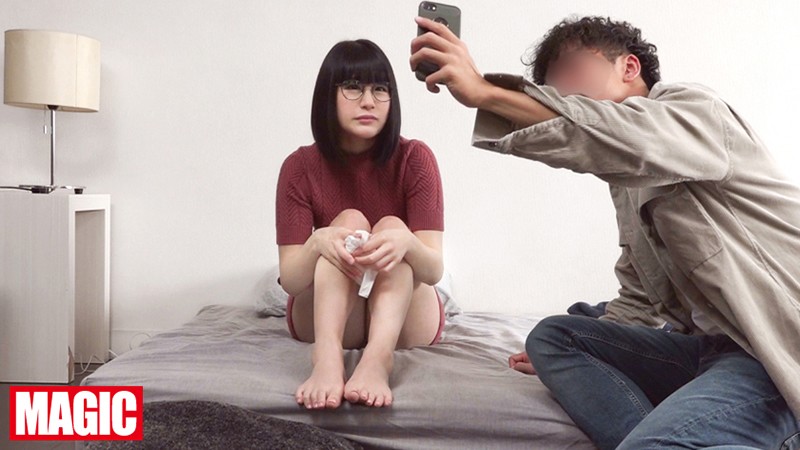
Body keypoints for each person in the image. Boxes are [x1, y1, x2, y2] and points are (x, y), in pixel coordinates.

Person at [411, 14, 800, 449]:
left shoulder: (695, 112)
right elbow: (639, 296)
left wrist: (486, 92)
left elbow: (621, 134)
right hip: (707, 350)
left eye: (573, 69)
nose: (563, 93)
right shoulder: (628, 183)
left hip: (769, 353)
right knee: (555, 337)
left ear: (629, 67)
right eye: (553, 87)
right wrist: (595, 349)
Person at [276, 39, 445, 410]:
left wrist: (406, 243)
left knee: (393, 228)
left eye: (380, 89)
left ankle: (378, 360)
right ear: (328, 95)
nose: (369, 101)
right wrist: (318, 242)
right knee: (349, 223)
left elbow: (433, 270)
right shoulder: (298, 167)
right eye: (353, 87)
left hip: (403, 321)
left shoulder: (416, 159)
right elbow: (290, 280)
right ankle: (326, 356)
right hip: (331, 318)